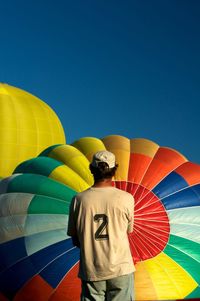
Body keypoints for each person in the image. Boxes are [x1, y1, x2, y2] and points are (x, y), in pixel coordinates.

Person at [67, 150, 135, 301]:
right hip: (121, 268)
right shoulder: (126, 198)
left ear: (91, 169)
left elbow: (75, 239)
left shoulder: (78, 200)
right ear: (114, 170)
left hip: (92, 269)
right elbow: (128, 231)